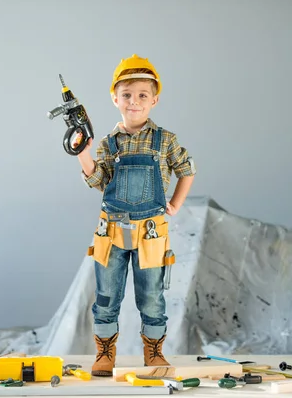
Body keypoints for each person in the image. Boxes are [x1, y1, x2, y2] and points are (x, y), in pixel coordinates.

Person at [76, 54, 196, 376]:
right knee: (106, 296)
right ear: (115, 98)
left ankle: (154, 354)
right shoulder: (107, 143)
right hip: (112, 231)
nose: (134, 102)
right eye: (127, 95)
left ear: (154, 99)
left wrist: (176, 203)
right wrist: (82, 153)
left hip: (151, 233)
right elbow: (98, 181)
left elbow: (187, 170)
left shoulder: (165, 140)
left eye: (143, 95)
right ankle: (105, 353)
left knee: (152, 298)